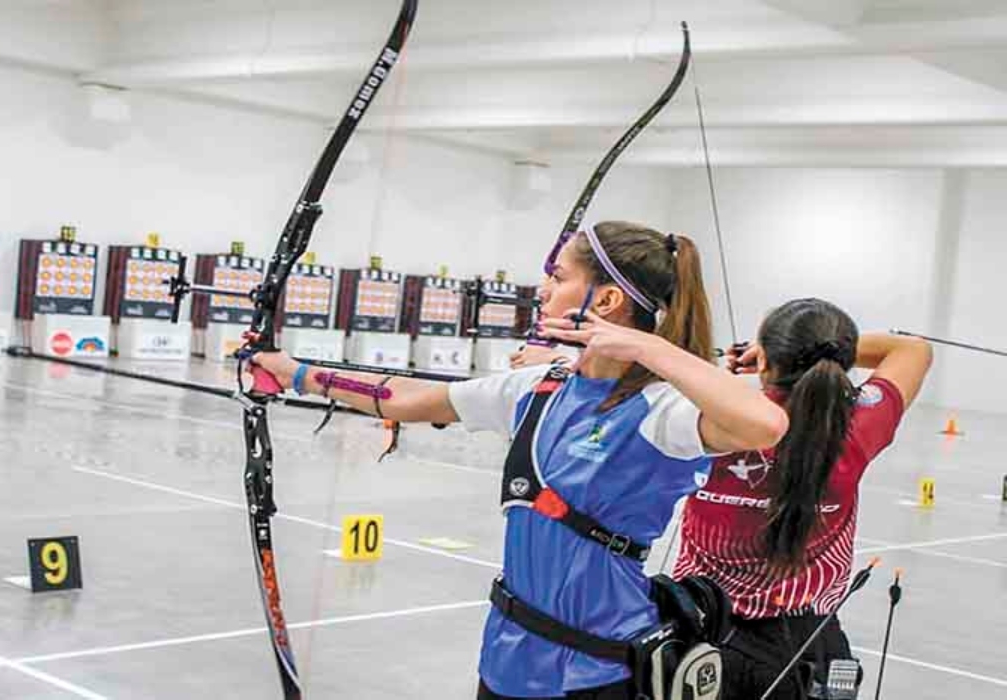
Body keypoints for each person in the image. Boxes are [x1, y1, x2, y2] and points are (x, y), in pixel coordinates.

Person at [251, 221, 788, 699]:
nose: (545, 289)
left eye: (559, 277)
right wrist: (293, 371)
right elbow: (406, 399)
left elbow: (764, 425)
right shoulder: (542, 387)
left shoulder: (661, 407)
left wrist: (647, 349)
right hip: (509, 656)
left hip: (598, 671)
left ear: (604, 302)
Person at [670, 299, 933, 699]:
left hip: (697, 636)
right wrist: (817, 349)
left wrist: (780, 354)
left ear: (765, 363)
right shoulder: (858, 422)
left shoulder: (710, 419)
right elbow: (913, 349)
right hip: (803, 645)